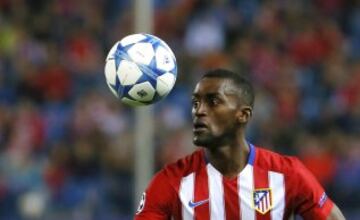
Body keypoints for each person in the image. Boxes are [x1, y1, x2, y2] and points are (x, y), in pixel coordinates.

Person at [134, 69, 345, 220]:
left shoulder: (287, 175)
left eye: (213, 101)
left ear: (243, 115)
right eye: (195, 102)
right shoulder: (171, 182)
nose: (199, 111)